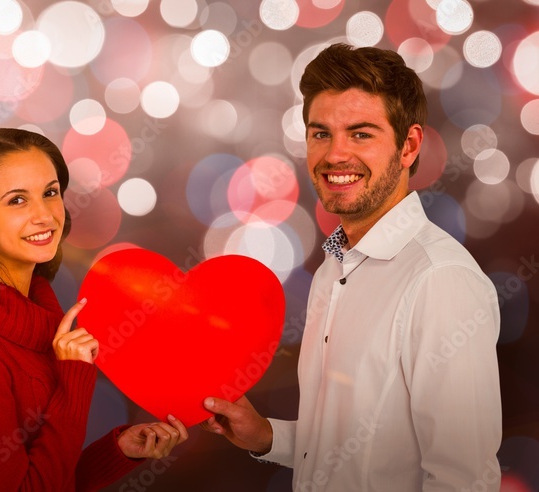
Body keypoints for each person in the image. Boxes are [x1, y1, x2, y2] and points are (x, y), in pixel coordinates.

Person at [201, 43, 502, 490]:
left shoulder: (440, 281)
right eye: (321, 133)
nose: (335, 155)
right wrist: (266, 435)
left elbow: (463, 480)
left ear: (409, 145)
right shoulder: (335, 266)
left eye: (361, 134)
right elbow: (358, 446)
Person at [0, 128, 188, 492]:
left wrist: (118, 451)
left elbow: (46, 479)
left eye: (50, 193)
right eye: (17, 200)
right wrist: (73, 382)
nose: (45, 215)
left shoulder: (42, 312)